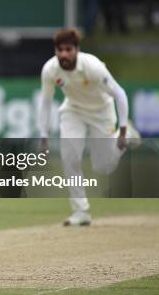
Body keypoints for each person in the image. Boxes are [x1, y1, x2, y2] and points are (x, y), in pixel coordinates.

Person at [39, 29, 138, 227]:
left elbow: (119, 94)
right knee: (70, 157)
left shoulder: (93, 66)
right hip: (73, 110)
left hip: (102, 112)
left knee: (103, 166)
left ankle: (127, 136)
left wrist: (124, 129)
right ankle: (81, 211)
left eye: (68, 49)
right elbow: (45, 102)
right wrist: (44, 136)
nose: (64, 54)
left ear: (77, 49)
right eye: (60, 50)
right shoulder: (50, 69)